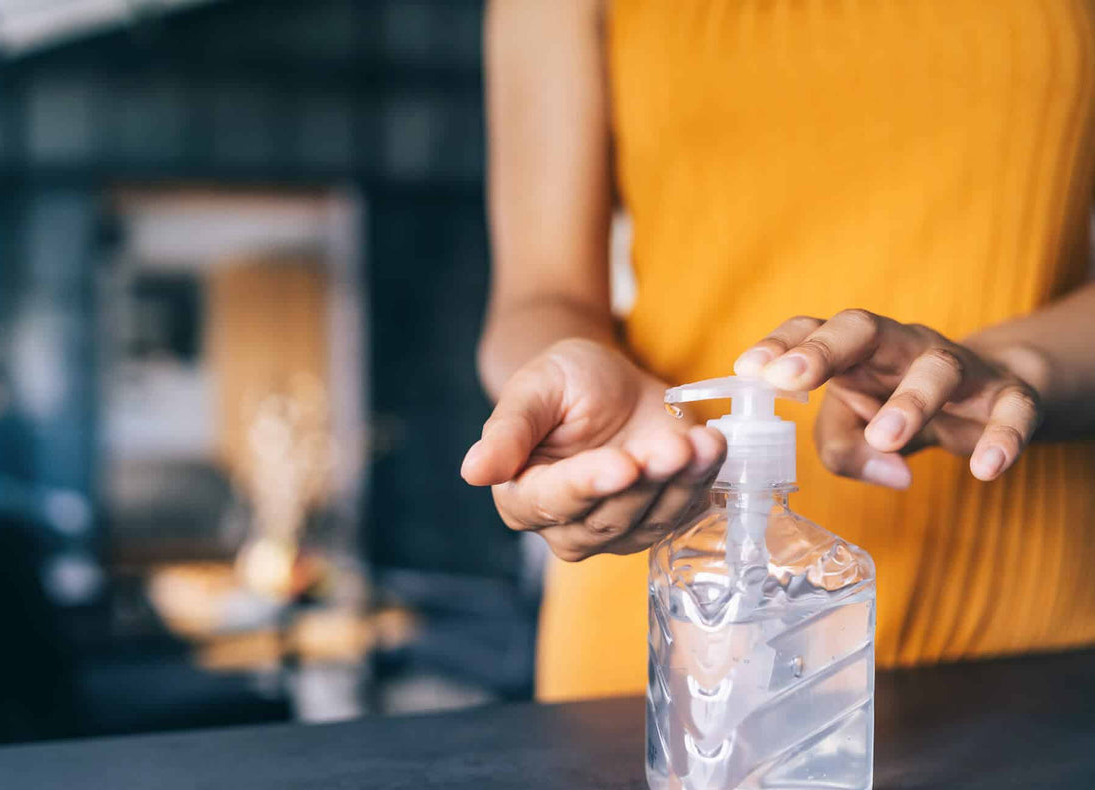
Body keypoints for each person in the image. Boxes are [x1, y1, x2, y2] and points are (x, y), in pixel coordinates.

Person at [463, 0, 1095, 702]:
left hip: (1032, 649)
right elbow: (540, 291)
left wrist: (1015, 370)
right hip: (674, 629)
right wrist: (564, 380)